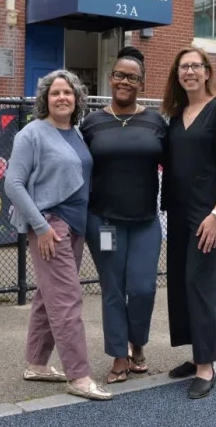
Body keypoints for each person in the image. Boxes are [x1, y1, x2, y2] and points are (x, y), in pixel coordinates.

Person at [4, 69, 112, 401]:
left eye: (68, 92)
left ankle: (36, 364)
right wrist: (42, 227)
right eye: (55, 93)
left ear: (77, 98)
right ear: (45, 99)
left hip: (76, 226)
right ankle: (79, 376)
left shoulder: (77, 134)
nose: (62, 97)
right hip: (51, 225)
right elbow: (13, 183)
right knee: (67, 300)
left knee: (48, 297)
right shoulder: (32, 134)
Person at [159, 46, 216, 399]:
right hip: (177, 212)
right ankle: (195, 357)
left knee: (200, 283)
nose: (189, 72)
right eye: (183, 67)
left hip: (206, 213)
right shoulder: (176, 116)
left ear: (207, 71)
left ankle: (207, 365)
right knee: (180, 284)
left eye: (195, 66)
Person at [80, 46, 167, 384]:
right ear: (110, 78)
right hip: (104, 222)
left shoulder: (156, 122)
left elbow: (177, 166)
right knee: (114, 288)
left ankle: (138, 344)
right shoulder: (92, 123)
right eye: (119, 75)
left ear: (142, 84)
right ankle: (119, 356)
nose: (124, 81)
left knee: (143, 288)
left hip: (146, 222)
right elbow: (73, 167)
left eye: (132, 77)